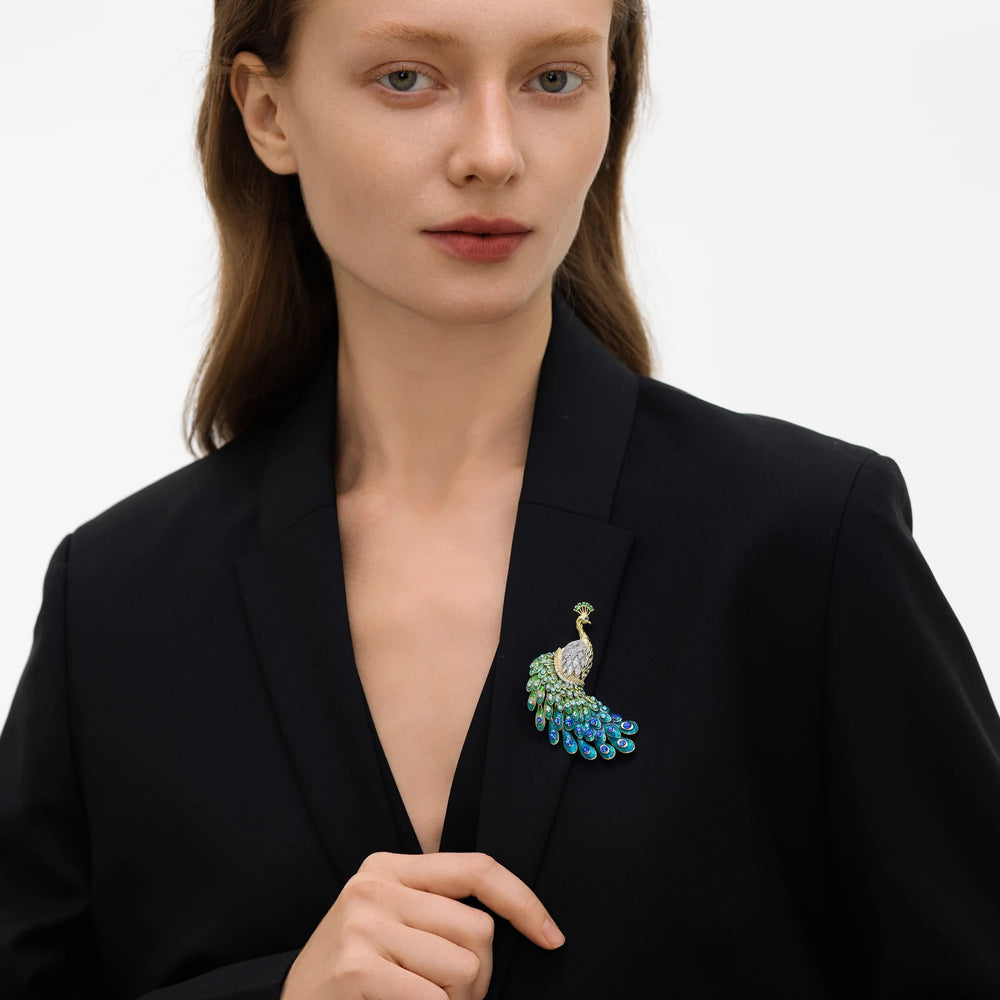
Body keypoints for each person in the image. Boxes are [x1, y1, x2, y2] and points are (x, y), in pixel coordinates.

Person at [2, 0, 999, 997]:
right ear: (268, 114)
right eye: (407, 78)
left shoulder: (805, 546)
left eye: (553, 79)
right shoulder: (116, 602)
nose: (493, 152)